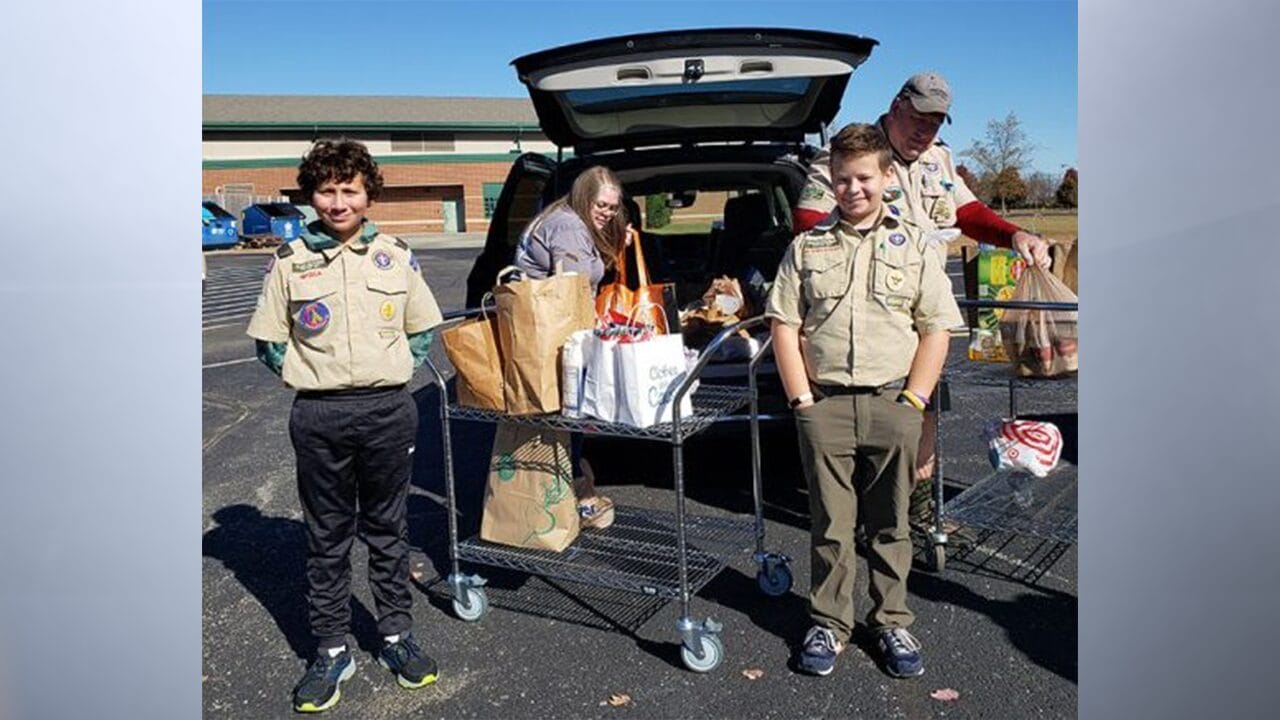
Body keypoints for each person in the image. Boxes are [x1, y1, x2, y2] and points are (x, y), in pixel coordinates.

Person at [794, 72, 1055, 530]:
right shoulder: (853, 155)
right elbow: (808, 220)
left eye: (935, 124)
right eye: (917, 120)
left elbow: (968, 212)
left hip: (925, 315)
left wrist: (1014, 234)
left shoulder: (938, 160)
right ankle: (862, 514)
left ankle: (916, 512)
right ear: (896, 107)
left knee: (925, 412)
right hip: (868, 315)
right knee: (866, 422)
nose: (924, 132)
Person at [246, 139, 444, 713]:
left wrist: (393, 372)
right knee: (327, 537)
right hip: (319, 414)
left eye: (349, 190)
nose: (337, 202)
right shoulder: (289, 263)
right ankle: (332, 649)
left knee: (387, 528)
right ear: (311, 194)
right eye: (327, 190)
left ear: (368, 194)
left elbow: (420, 331)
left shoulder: (397, 256)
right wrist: (315, 376)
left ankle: (396, 636)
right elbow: (270, 342)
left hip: (387, 409)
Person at [765, 124, 963, 679]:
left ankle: (891, 619)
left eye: (864, 177)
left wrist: (913, 404)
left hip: (892, 403)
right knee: (830, 524)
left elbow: (936, 330)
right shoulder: (806, 247)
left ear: (885, 177)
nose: (853, 189)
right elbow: (784, 325)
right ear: (831, 180)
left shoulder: (918, 246)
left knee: (891, 523)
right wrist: (802, 401)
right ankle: (830, 623)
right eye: (842, 178)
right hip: (825, 405)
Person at [513, 166, 631, 529]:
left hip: (543, 332)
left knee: (560, 421)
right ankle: (577, 501)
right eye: (601, 205)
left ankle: (569, 496)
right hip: (551, 336)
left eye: (613, 207)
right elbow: (574, 285)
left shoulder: (566, 218)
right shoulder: (567, 226)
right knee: (569, 415)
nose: (607, 213)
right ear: (583, 197)